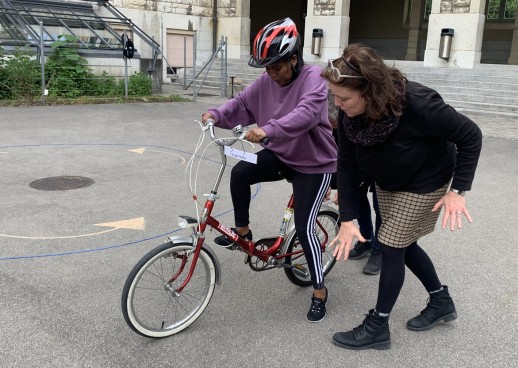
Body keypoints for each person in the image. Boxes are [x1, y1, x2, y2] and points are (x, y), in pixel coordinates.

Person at [322, 43, 482, 350]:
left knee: (391, 246)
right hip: (389, 181)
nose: (336, 104)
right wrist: (347, 216)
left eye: (343, 98)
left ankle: (377, 326)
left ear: (368, 92)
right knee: (404, 246)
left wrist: (457, 191)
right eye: (333, 95)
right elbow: (346, 163)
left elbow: (471, 136)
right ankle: (440, 301)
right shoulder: (348, 114)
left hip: (426, 180)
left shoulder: (419, 104)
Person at [201, 18, 337, 322]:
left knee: (304, 226)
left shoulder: (314, 77)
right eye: (266, 68)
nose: (270, 73)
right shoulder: (267, 81)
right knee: (240, 173)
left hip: (315, 164)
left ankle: (319, 290)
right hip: (282, 154)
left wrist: (267, 130)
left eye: (276, 66)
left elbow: (306, 114)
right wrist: (215, 114)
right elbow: (242, 104)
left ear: (293, 58)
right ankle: (243, 233)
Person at [328, 91, 382, 275]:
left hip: (380, 161)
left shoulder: (361, 110)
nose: (337, 103)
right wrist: (337, 185)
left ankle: (379, 249)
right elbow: (341, 158)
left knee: (380, 205)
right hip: (356, 162)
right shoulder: (335, 115)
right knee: (357, 199)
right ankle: (366, 239)